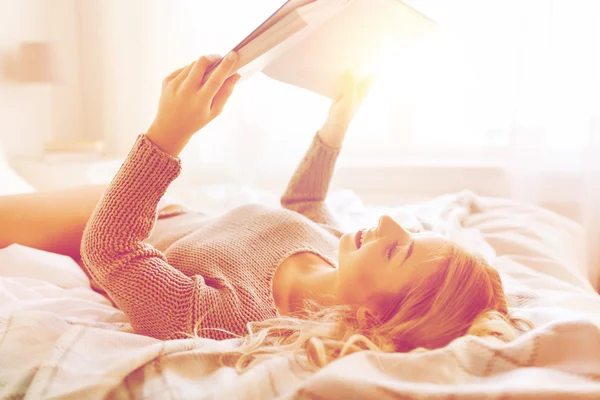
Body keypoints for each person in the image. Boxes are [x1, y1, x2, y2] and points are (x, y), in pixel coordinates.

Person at [0, 52, 525, 373]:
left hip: (108, 222)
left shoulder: (233, 318)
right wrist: (335, 125)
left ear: (374, 317)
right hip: (165, 207)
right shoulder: (332, 255)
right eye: (404, 230)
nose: (387, 223)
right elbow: (304, 207)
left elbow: (111, 249)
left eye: (397, 249)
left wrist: (169, 131)